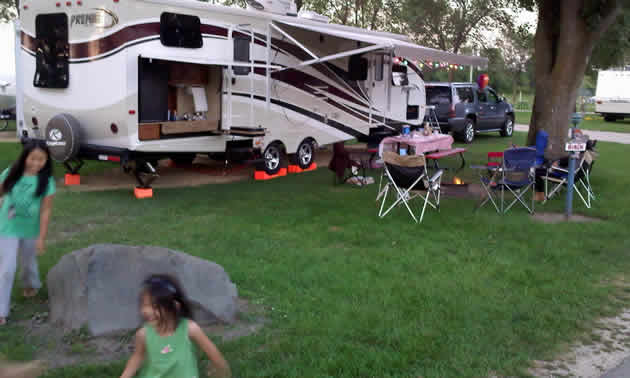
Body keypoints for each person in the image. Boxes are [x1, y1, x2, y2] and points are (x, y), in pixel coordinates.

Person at [120, 274, 231, 378]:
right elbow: (137, 357)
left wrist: (223, 371)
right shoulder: (143, 334)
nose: (146, 311)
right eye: (144, 305)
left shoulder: (189, 329)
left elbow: (212, 352)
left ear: (175, 306)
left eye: (154, 306)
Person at [0, 140, 55, 326]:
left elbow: (46, 210)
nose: (36, 163)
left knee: (28, 262)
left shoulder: (46, 181)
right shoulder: (11, 173)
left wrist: (41, 237)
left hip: (30, 230)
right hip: (7, 228)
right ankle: (1, 311)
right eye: (33, 158)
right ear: (25, 157)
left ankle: (30, 285)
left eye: (41, 159)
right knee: (7, 267)